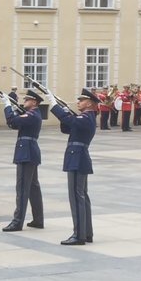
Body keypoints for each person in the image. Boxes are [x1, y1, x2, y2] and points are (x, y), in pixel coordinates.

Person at [48, 89, 98, 245]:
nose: (78, 102)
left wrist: (54, 105)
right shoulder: (83, 118)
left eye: (81, 100)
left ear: (89, 103)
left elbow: (71, 122)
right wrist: (65, 111)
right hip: (77, 158)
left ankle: (79, 235)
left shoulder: (87, 118)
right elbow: (67, 128)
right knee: (82, 196)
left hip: (77, 159)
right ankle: (86, 232)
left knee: (76, 197)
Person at [2, 90, 44, 232]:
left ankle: (17, 221)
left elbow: (12, 121)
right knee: (33, 188)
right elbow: (15, 125)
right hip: (29, 152)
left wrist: (8, 106)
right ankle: (38, 219)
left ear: (34, 102)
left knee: (22, 188)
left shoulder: (32, 114)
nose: (24, 101)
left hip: (26, 153)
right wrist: (15, 111)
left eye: (27, 99)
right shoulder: (33, 114)